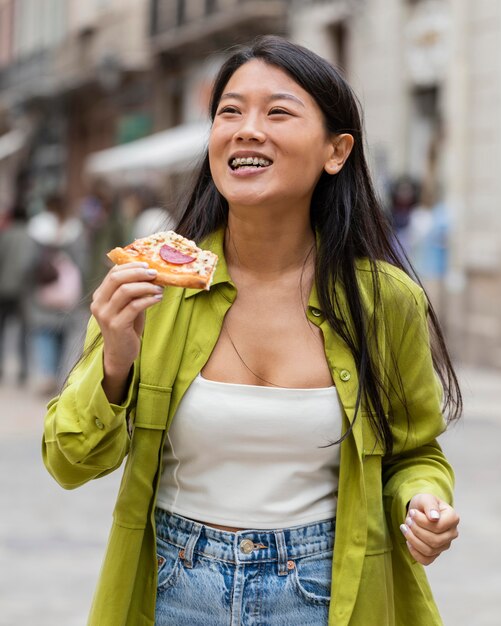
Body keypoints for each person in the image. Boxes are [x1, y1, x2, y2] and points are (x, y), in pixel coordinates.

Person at [43, 36, 461, 626]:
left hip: (324, 593)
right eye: (229, 112)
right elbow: (69, 461)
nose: (245, 129)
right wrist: (116, 359)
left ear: (336, 151)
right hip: (174, 589)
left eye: (278, 112)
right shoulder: (154, 283)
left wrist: (425, 502)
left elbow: (415, 453)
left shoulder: (385, 300)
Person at [27, 192, 87, 393]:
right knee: (62, 333)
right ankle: (59, 374)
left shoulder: (37, 228)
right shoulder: (75, 229)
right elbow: (82, 262)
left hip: (43, 289)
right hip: (68, 292)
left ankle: (48, 373)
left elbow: (30, 262)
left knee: (44, 332)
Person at [0, 200, 36, 384]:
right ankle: (23, 370)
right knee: (24, 330)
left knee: (2, 329)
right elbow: (32, 264)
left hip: (3, 289)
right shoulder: (30, 238)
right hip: (23, 291)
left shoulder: (4, 236)